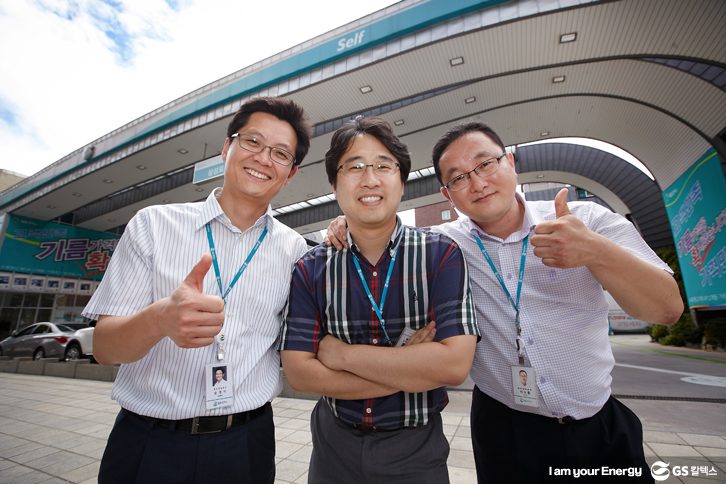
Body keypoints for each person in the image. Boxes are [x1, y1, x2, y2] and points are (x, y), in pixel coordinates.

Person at [327, 122, 682, 483]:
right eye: (459, 177)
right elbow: (380, 234)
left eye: (486, 164)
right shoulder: (442, 248)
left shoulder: (584, 221)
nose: (478, 183)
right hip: (504, 430)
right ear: (447, 195)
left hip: (598, 425)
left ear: (510, 162)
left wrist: (596, 251)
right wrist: (348, 221)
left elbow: (666, 310)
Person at [83, 97, 312, 484]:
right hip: (149, 441)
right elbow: (104, 349)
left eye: (280, 153)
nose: (262, 158)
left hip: (247, 444)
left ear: (290, 174)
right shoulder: (153, 226)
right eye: (252, 142)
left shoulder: (295, 251)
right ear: (227, 147)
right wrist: (159, 320)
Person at [281, 116, 480, 483]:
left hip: (415, 451)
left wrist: (342, 356)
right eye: (354, 166)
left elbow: (453, 366)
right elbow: (298, 372)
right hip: (332, 447)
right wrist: (411, 369)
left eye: (383, 166)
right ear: (335, 185)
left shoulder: (440, 255)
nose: (369, 179)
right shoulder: (311, 268)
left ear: (401, 181)